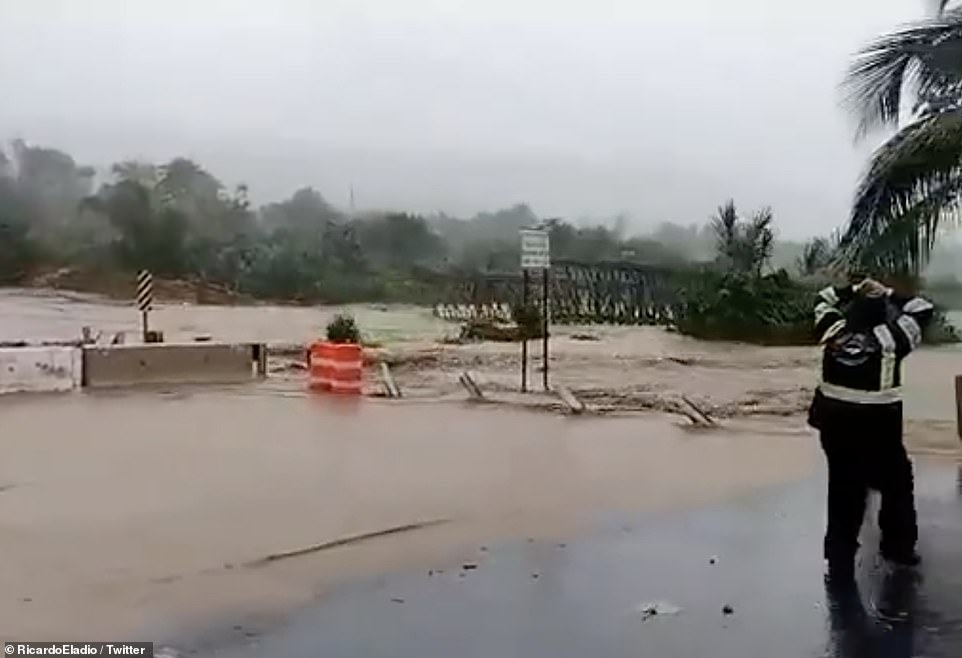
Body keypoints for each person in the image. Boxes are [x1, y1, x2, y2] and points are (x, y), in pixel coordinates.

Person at [808, 276, 934, 582]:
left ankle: (839, 559)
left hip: (834, 424)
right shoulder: (891, 338)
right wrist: (888, 291)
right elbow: (923, 308)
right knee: (897, 485)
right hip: (877, 428)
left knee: (842, 492)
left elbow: (822, 299)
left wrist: (853, 289)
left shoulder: (832, 330)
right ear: (882, 312)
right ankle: (898, 548)